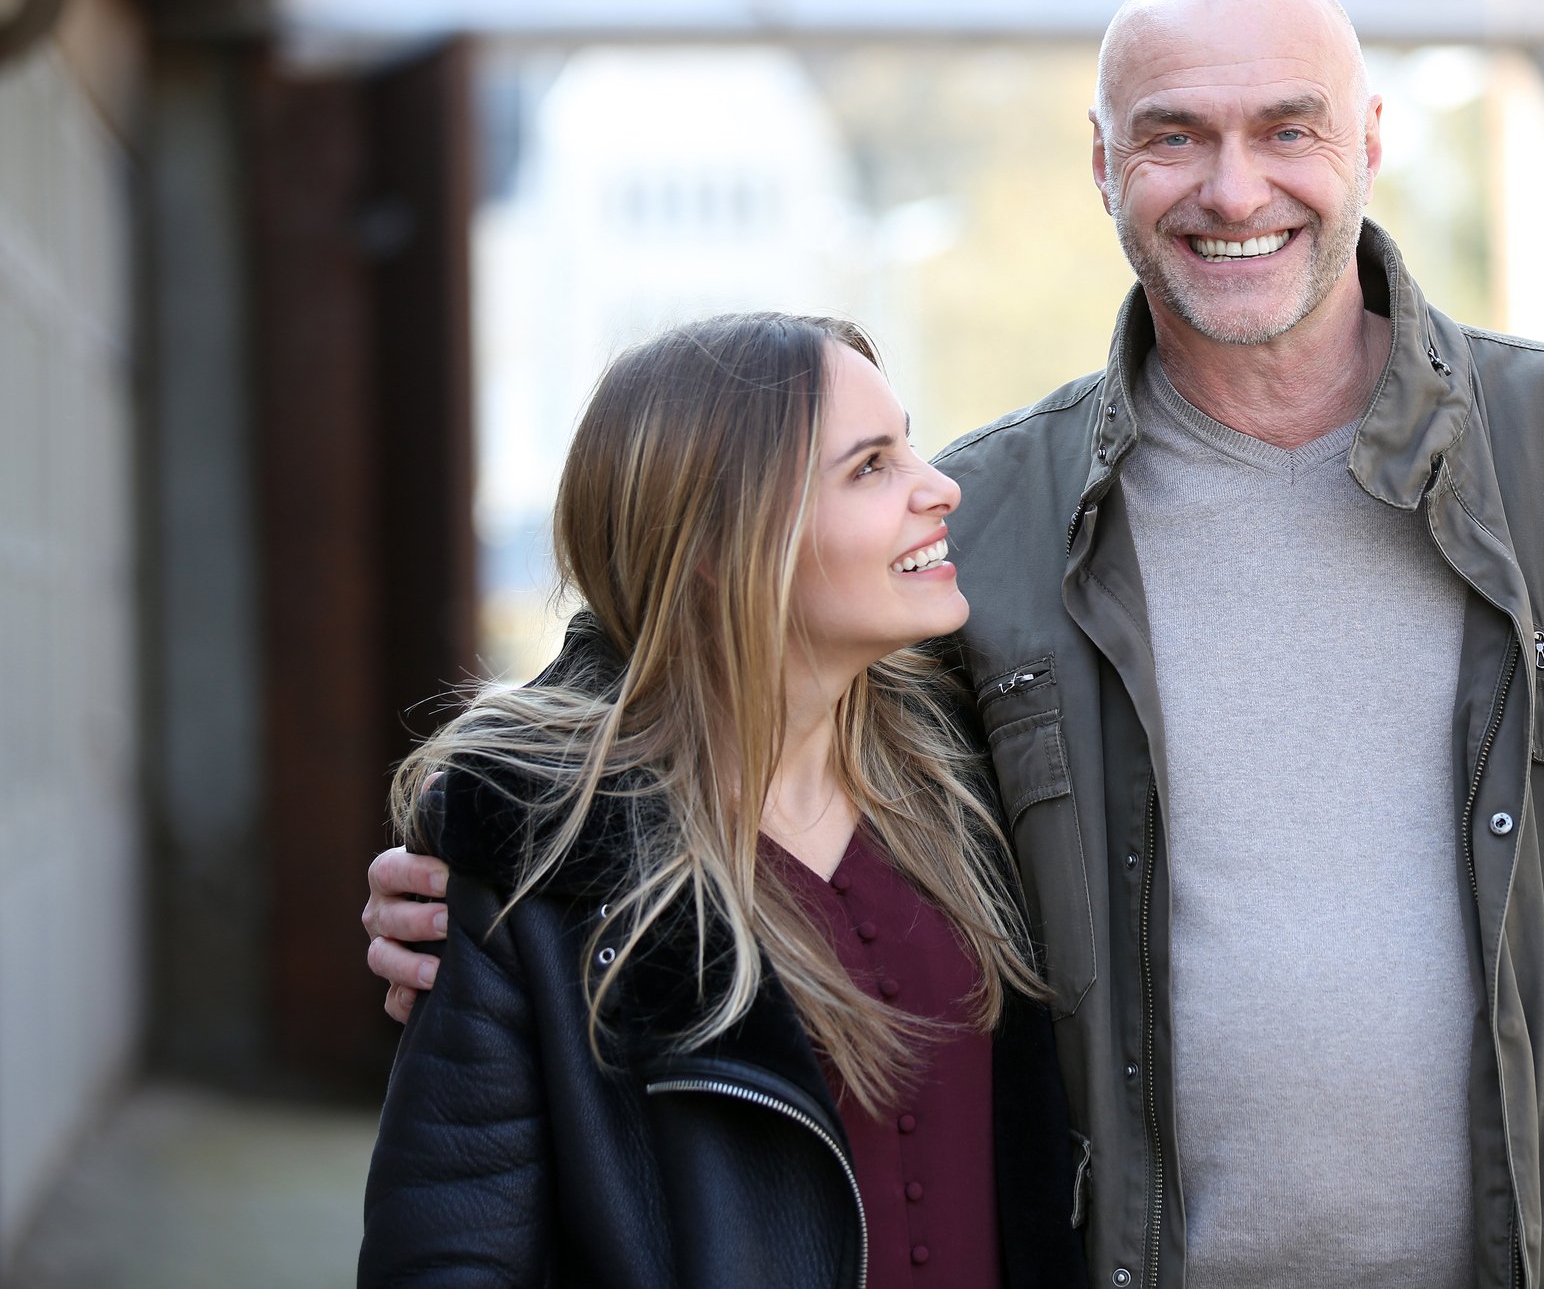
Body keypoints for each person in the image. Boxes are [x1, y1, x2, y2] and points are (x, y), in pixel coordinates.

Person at [365, 0, 1544, 1288]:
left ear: (1370, 139)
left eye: (1287, 128)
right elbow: (703, 615)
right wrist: (498, 853)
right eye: (1174, 137)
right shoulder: (989, 512)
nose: (1235, 189)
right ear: (1102, 164)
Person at [358, 312, 1088, 1288]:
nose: (940, 485)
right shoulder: (542, 858)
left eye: (907, 444)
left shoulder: (978, 771)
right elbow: (450, 1246)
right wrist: (493, 808)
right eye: (871, 466)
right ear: (720, 542)